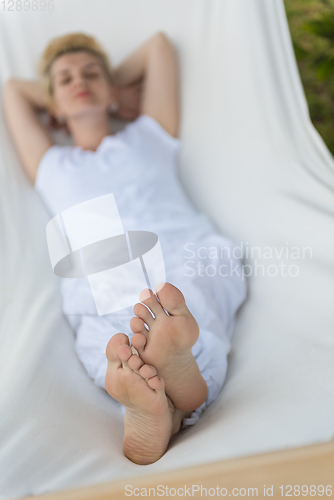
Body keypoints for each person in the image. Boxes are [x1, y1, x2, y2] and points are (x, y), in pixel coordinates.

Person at [3, 31, 247, 465]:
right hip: (101, 271)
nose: (80, 80)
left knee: (183, 293)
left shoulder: (149, 135)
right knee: (109, 332)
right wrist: (66, 90)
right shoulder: (51, 165)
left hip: (178, 246)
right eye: (65, 79)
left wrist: (99, 87)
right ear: (52, 106)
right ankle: (164, 395)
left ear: (113, 88)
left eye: (92, 73)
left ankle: (162, 390)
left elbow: (158, 47)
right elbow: (11, 91)